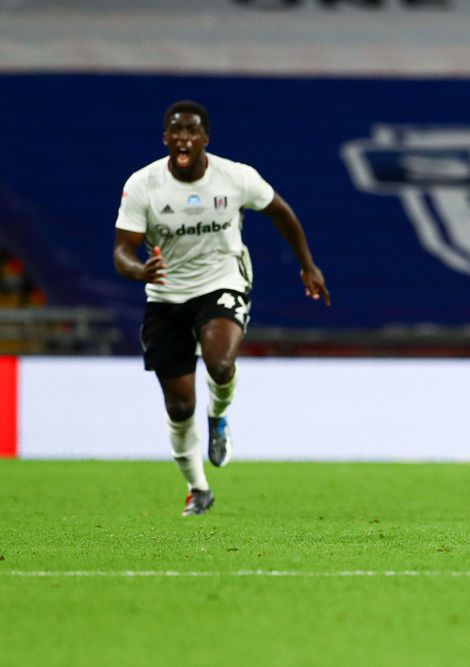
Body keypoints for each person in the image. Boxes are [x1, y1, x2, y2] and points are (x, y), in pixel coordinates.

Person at [113, 100, 330, 516]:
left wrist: (307, 265)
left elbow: (281, 212)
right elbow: (122, 251)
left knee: (220, 363)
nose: (183, 138)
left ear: (205, 139)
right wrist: (140, 270)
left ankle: (219, 417)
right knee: (178, 407)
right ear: (165, 138)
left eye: (192, 131)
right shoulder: (143, 185)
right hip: (165, 295)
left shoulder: (236, 177)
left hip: (222, 281)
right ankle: (199, 489)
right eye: (175, 131)